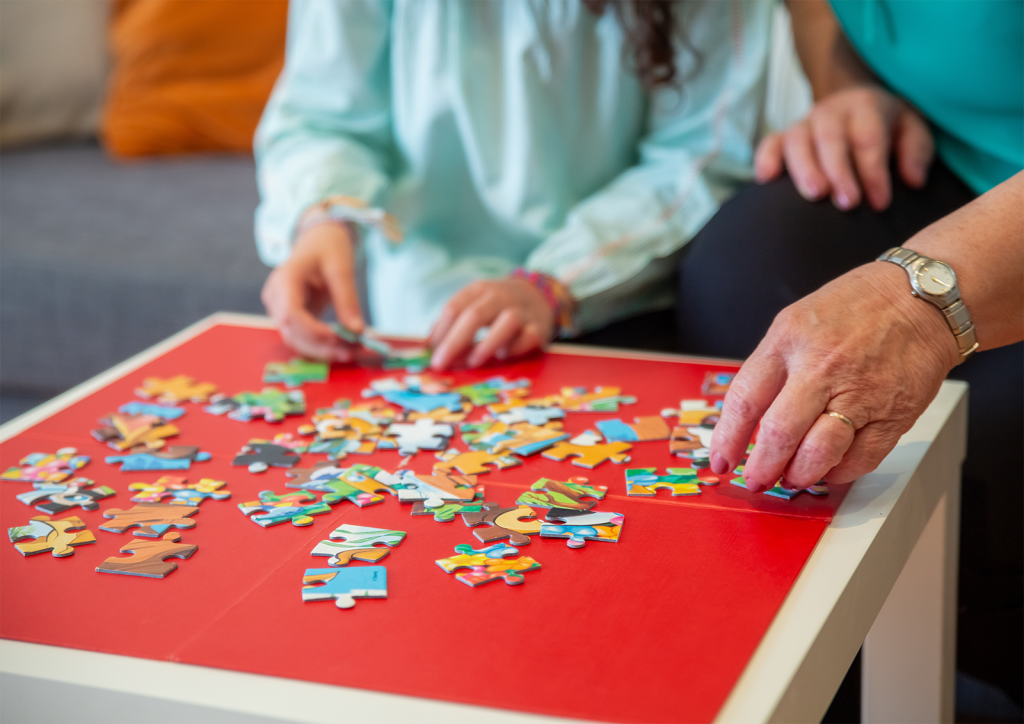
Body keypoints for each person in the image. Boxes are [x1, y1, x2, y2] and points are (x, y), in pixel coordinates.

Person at [678, 0, 1024, 706]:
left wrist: (914, 305)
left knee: (992, 430)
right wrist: (852, 92)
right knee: (742, 268)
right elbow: (822, 13)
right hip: (953, 163)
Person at [254, 0, 774, 370]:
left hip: (616, 300)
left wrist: (553, 281)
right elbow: (324, 118)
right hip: (423, 325)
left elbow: (698, 156)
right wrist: (324, 219)